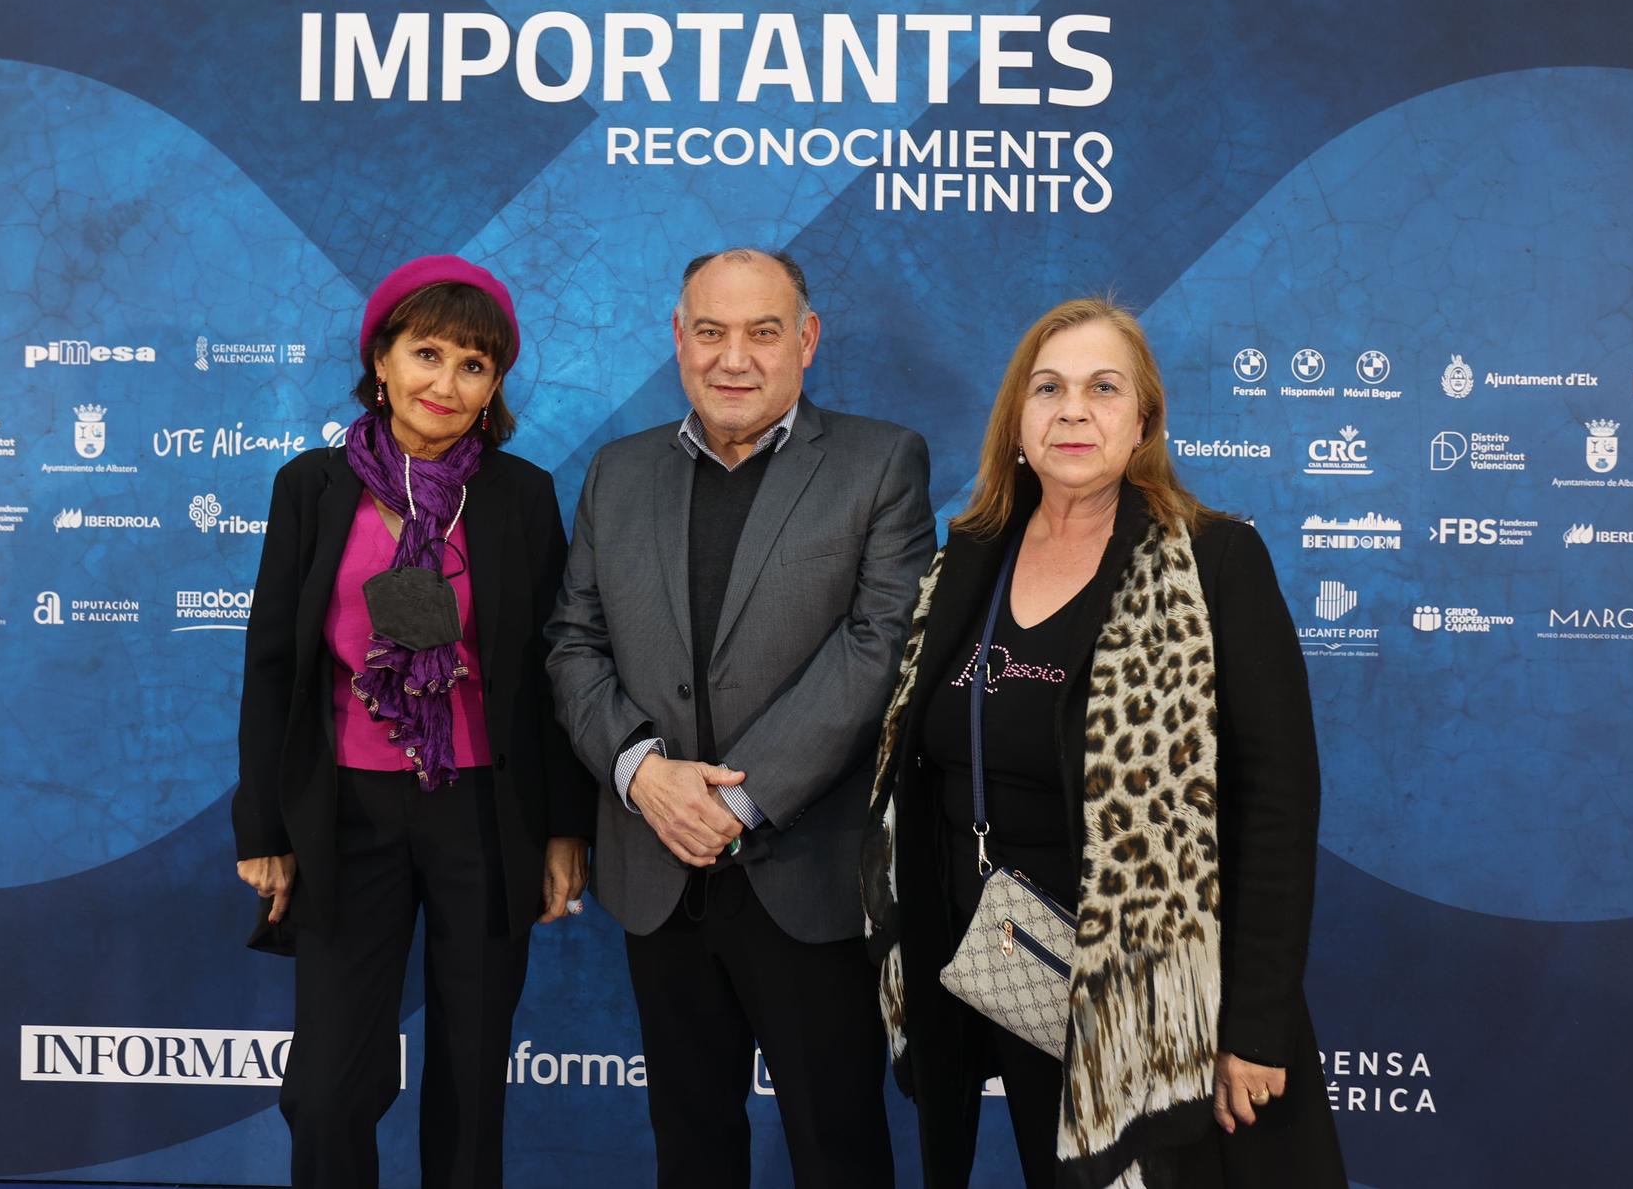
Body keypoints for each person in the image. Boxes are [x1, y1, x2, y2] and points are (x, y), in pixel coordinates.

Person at [862, 299, 1347, 1188]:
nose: (1073, 410)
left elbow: (1278, 803)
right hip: (1013, 978)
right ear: (1017, 422)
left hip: (1165, 1009)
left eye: (1102, 388)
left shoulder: (1214, 561)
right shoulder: (970, 556)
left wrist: (1255, 1027)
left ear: (1143, 421)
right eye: (1047, 388)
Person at [547, 247, 936, 1188]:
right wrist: (642, 773)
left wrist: (738, 799)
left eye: (763, 332)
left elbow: (880, 647)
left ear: (806, 341)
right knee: (691, 1149)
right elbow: (572, 643)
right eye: (711, 331)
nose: (735, 357)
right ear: (677, 341)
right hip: (657, 873)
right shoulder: (617, 472)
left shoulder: (881, 462)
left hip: (805, 874)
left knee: (837, 1147)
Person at [232, 255, 596, 1189]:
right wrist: (265, 826)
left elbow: (548, 673)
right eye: (427, 353)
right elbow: (274, 665)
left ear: (495, 387)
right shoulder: (311, 487)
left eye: (474, 365)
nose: (446, 382)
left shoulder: (519, 495)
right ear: (382, 362)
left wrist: (564, 826)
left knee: (473, 1082)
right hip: (344, 816)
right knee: (325, 1089)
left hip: (483, 812)